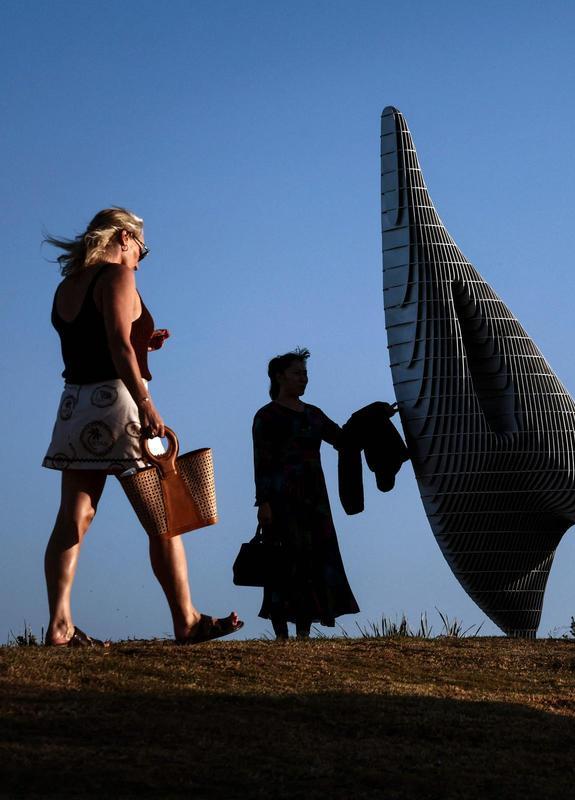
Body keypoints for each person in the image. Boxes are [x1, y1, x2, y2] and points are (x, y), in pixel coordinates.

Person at [42, 207, 242, 646]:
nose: (139, 258)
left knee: (74, 517)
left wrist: (142, 341)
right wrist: (147, 404)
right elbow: (116, 343)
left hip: (75, 406)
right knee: (163, 515)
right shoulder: (116, 277)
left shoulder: (67, 287)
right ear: (123, 237)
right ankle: (186, 619)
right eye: (140, 248)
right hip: (118, 404)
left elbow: (93, 340)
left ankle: (59, 624)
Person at [253, 348, 359, 640]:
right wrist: (263, 503)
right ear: (279, 376)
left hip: (314, 501)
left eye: (305, 374)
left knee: (313, 561)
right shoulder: (267, 416)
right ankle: (281, 634)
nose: (304, 379)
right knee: (283, 564)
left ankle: (303, 632)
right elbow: (261, 461)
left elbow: (342, 439)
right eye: (297, 373)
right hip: (281, 499)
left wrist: (372, 417)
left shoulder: (313, 414)